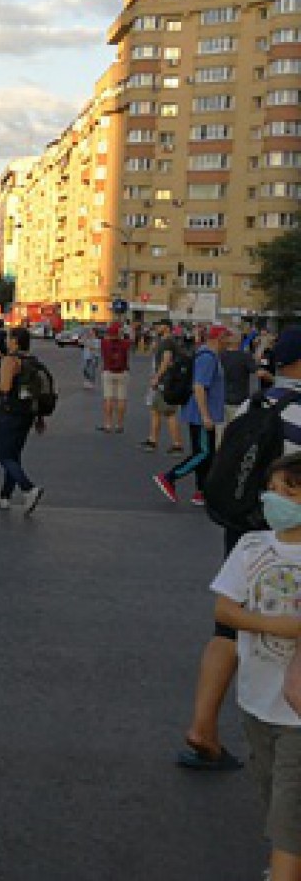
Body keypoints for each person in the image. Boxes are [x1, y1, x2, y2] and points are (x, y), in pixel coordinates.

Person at [177, 328, 301, 775]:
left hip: (248, 529)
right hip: (291, 540)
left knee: (226, 628)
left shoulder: (255, 403)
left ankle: (202, 726)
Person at [209, 450, 301, 881]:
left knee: (289, 807)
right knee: (270, 794)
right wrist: (277, 625)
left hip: (297, 710)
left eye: (286, 492)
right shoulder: (251, 547)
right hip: (256, 698)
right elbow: (225, 611)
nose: (273, 499)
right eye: (271, 490)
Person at [152, 325, 231, 506]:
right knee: (204, 452)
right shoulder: (208, 358)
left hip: (202, 412)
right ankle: (170, 476)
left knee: (204, 453)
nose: (229, 341)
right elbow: (199, 386)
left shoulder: (207, 355)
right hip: (201, 413)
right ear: (218, 338)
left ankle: (201, 491)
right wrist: (205, 415)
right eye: (226, 337)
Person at [0, 326, 46, 514]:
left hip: (9, 414)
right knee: (14, 456)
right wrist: (39, 417)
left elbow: (5, 387)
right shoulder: (32, 362)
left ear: (15, 341)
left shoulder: (10, 360)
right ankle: (4, 496)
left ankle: (29, 488)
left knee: (3, 456)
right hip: (27, 415)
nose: (7, 342)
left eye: (10, 338)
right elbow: (38, 392)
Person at [143, 326, 187, 454]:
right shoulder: (166, 341)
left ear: (166, 328)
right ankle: (153, 439)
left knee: (168, 412)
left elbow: (166, 360)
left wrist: (157, 377)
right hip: (167, 382)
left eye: (159, 326)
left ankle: (176, 444)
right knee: (156, 410)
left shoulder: (168, 343)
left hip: (166, 382)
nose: (156, 328)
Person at [98, 321, 131, 434]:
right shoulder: (125, 344)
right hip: (122, 372)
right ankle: (119, 424)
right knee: (121, 399)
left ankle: (108, 424)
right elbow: (130, 340)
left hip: (108, 372)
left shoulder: (104, 343)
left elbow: (104, 338)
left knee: (108, 398)